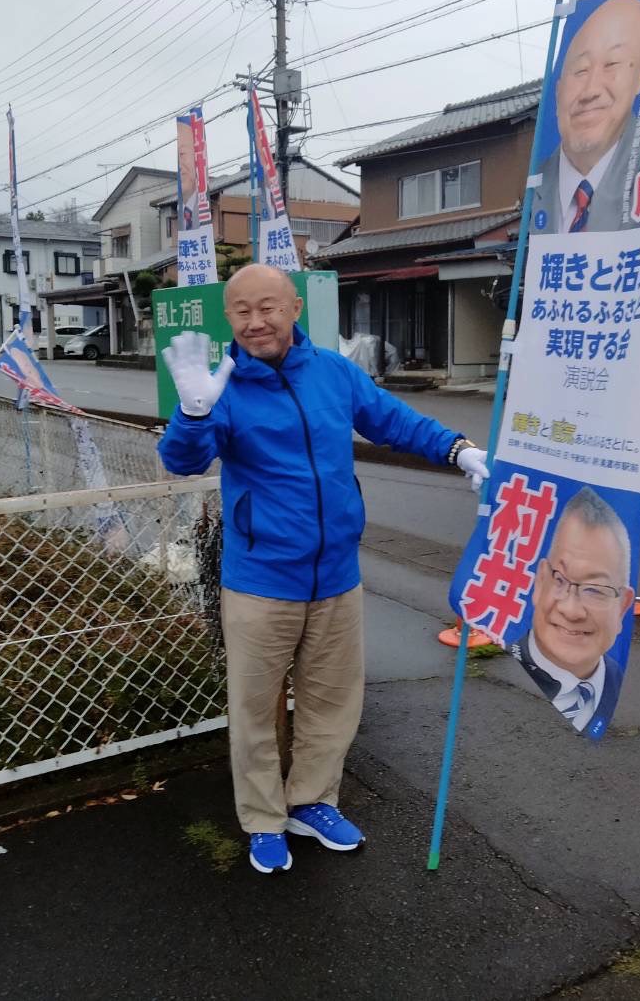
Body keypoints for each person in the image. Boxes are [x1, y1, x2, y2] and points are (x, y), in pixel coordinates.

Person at [157, 264, 490, 874]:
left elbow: (394, 421)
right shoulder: (220, 388)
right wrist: (194, 412)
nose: (256, 322)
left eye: (269, 307)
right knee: (255, 708)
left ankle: (311, 801)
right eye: (241, 311)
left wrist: (457, 449)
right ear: (228, 318)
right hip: (261, 578)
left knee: (331, 700)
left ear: (294, 310)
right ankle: (262, 819)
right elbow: (180, 461)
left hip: (337, 573)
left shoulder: (335, 374)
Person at [510, 485, 634, 738]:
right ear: (540, 581)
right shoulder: (505, 676)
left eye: (596, 589)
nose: (571, 610)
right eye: (560, 580)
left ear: (622, 607)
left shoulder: (615, 679)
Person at [534, 0, 640, 236]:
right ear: (557, 91)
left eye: (612, 64)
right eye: (580, 70)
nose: (590, 91)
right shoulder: (536, 185)